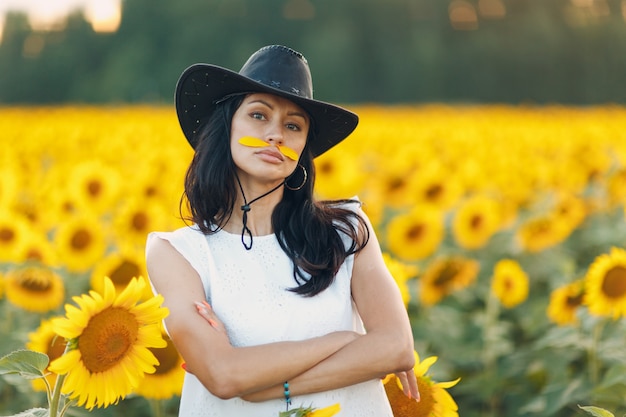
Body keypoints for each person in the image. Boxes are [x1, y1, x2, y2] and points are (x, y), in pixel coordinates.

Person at [145, 44, 419, 417]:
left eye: (293, 125)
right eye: (259, 115)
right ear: (226, 126)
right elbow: (223, 376)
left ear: (303, 146)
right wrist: (347, 341)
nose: (276, 135)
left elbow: (397, 347)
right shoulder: (179, 254)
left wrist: (272, 387)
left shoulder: (345, 232)